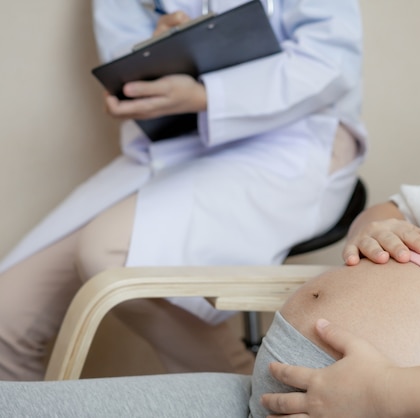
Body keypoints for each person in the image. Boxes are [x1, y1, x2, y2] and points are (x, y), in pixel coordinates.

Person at [0, 0, 420, 416]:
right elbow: (400, 205)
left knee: (103, 258)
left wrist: (388, 394)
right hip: (285, 391)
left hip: (394, 402)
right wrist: (381, 227)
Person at [0, 0, 366, 380]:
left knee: (112, 254)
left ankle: (241, 394)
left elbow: (331, 60)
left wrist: (209, 95)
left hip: (292, 141)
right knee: (6, 315)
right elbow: (124, 68)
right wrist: (151, 58)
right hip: (174, 146)